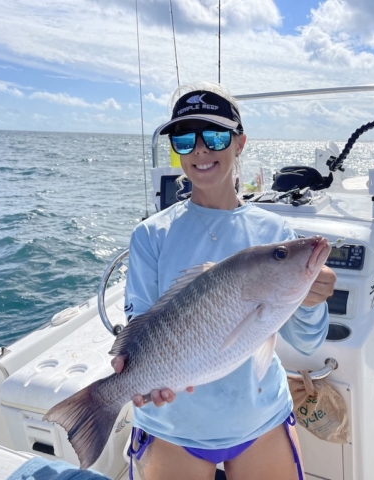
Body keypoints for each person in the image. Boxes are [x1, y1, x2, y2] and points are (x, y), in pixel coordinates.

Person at [112, 82, 336, 480]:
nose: (200, 149)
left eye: (215, 136)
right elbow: (141, 325)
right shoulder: (150, 235)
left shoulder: (276, 231)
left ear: (240, 143)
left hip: (260, 419)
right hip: (172, 426)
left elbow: (306, 343)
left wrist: (313, 300)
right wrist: (138, 378)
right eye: (184, 138)